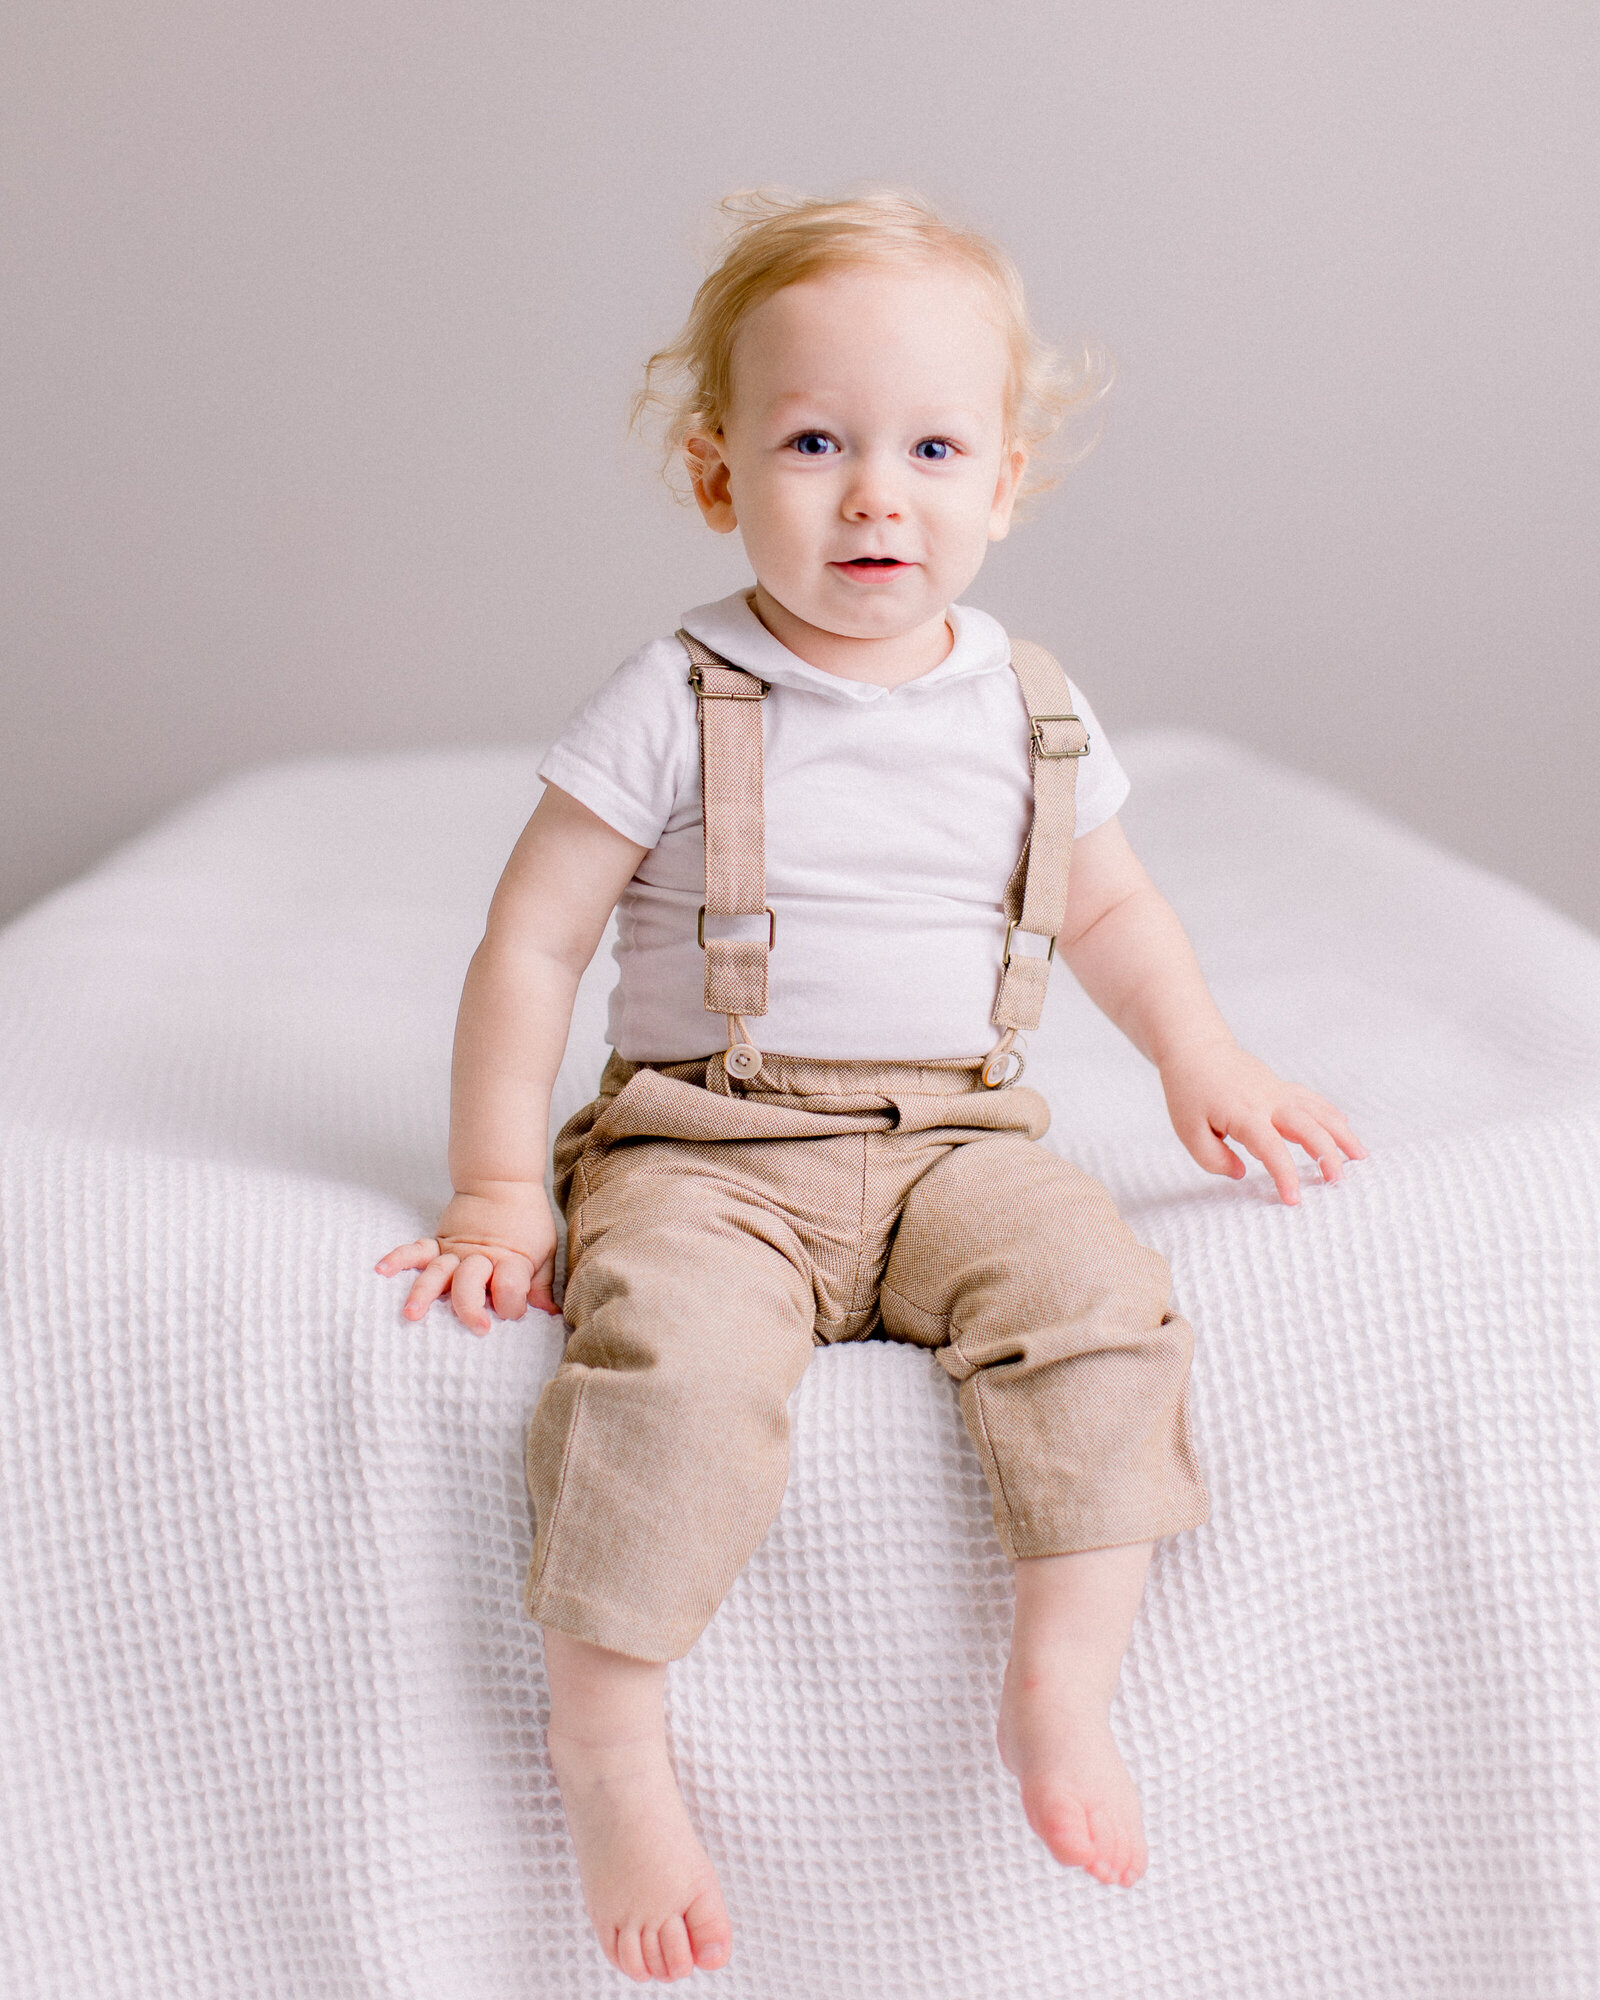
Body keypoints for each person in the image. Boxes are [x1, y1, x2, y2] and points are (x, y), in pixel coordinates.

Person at [377, 189, 1364, 1986]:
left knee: (1102, 1309)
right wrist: (502, 1190)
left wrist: (1200, 1052)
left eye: (929, 447)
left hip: (955, 1144)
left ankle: (1060, 1690)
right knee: (669, 1373)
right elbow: (528, 945)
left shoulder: (1031, 705)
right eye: (814, 442)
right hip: (709, 1148)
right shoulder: (676, 694)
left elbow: (1115, 910)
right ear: (715, 474)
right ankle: (607, 1745)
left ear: (1006, 486)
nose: (873, 494)